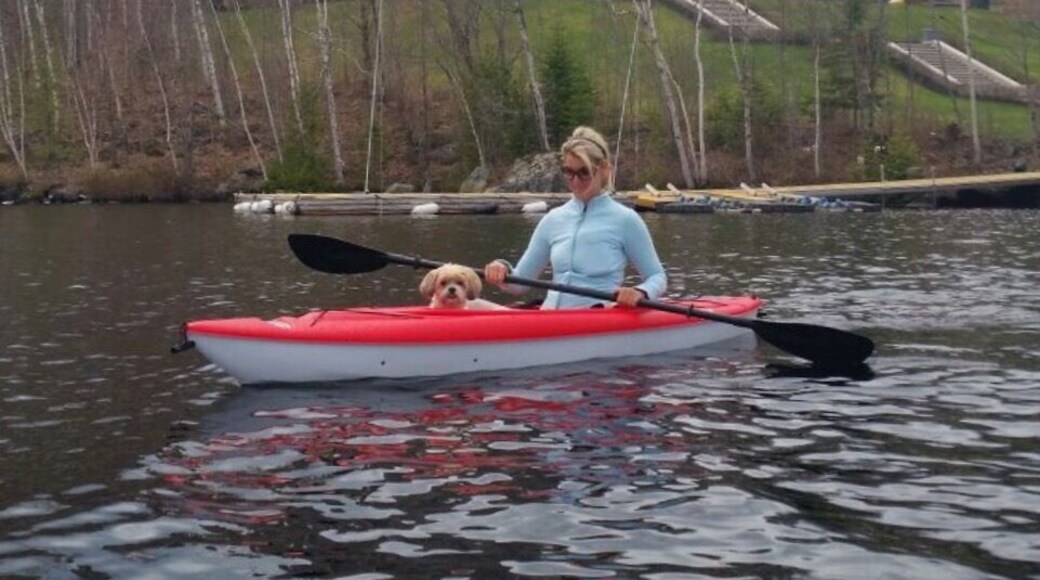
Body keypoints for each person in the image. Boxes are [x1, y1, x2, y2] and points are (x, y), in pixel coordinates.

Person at [484, 126, 666, 308]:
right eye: (569, 172)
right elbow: (518, 284)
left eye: (584, 172)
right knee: (476, 304)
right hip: (550, 317)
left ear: (604, 170)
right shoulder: (552, 220)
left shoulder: (626, 220)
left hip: (598, 318)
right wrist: (502, 269)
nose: (576, 181)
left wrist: (640, 291)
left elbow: (657, 277)